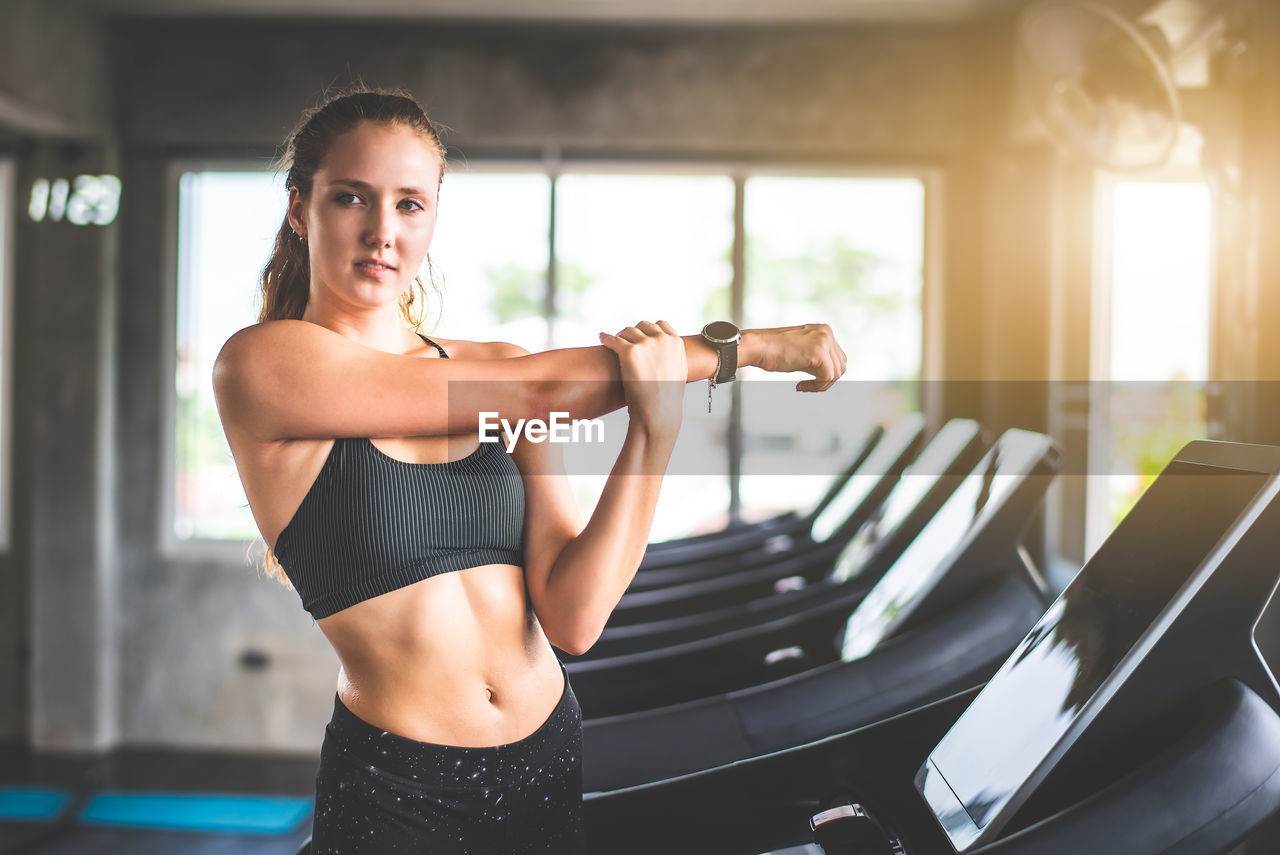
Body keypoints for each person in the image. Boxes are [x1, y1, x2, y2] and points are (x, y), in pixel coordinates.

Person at [212, 86, 846, 854]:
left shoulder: (499, 364)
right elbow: (544, 390)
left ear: (433, 218)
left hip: (546, 756)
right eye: (352, 197)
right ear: (298, 206)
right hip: (399, 789)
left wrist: (653, 435)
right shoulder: (264, 364)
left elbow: (575, 615)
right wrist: (747, 349)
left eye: (411, 204)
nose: (382, 231)